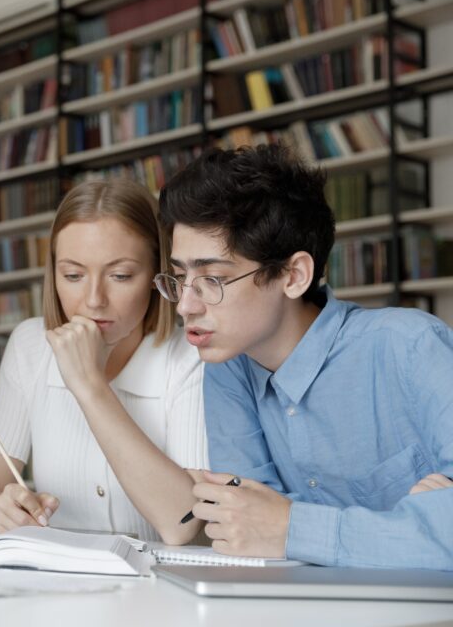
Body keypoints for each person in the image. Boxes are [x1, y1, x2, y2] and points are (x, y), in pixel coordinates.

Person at [158, 143, 453, 569]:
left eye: (213, 279)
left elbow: (272, 527)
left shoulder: (409, 347)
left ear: (293, 275)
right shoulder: (227, 368)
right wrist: (410, 526)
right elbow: (246, 526)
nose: (185, 306)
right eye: (180, 276)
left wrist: (293, 527)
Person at [0, 179, 208, 544]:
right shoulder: (30, 345)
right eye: (73, 275)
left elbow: (184, 522)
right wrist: (2, 513)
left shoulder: (191, 356)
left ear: (158, 274)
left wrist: (90, 386)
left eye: (121, 275)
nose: (93, 300)